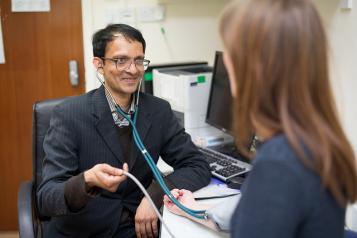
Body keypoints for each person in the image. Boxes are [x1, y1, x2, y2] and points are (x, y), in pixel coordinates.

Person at [164, 0, 357, 237]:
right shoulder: (315, 141)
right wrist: (194, 209)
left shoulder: (278, 164)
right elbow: (256, 212)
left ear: (253, 69)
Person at [37, 23, 211, 238]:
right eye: (121, 61)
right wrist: (87, 180)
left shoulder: (158, 111)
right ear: (99, 64)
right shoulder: (69, 115)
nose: (133, 69)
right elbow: (46, 198)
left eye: (139, 60)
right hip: (84, 231)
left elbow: (197, 165)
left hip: (139, 230)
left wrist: (153, 195)